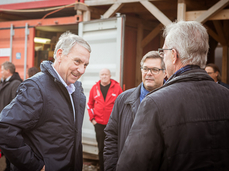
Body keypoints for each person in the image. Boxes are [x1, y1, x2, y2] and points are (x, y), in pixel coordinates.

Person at [116, 21, 229, 170]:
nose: (163, 58)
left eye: (164, 53)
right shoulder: (226, 96)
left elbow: (132, 166)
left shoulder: (154, 103)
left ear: (174, 55)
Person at [0, 31, 91, 171]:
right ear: (60, 54)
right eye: (77, 61)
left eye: (85, 65)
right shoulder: (36, 88)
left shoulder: (76, 89)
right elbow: (3, 129)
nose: (81, 70)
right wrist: (36, 166)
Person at [104, 51, 165, 171]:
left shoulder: (173, 101)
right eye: (146, 68)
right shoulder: (123, 99)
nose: (148, 73)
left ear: (165, 72)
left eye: (155, 70)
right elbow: (111, 136)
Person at [87, 68, 122, 171]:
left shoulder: (117, 87)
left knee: (113, 147)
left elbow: (122, 105)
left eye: (106, 74)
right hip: (99, 124)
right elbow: (89, 105)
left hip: (112, 124)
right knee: (101, 148)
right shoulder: (95, 88)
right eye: (102, 74)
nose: (104, 76)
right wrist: (92, 119)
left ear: (110, 75)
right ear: (99, 76)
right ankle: (102, 168)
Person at [0, 61, 22, 171]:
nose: (0, 72)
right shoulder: (5, 82)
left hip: (9, 123)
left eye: (2, 70)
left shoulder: (15, 83)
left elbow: (15, 105)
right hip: (3, 122)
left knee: (10, 149)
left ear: (8, 71)